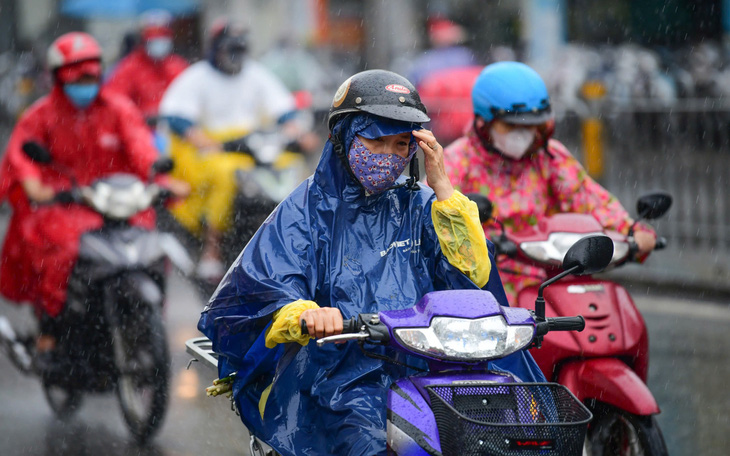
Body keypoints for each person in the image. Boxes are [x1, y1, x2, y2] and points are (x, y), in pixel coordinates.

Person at [197, 69, 545, 456]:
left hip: (433, 367)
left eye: (401, 145)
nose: (389, 156)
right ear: (343, 138)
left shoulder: (421, 205)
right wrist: (306, 313)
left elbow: (472, 276)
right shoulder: (307, 210)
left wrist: (443, 188)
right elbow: (271, 280)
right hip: (342, 376)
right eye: (376, 141)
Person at [0, 32, 188, 362]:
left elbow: (141, 146)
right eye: (77, 77)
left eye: (91, 75)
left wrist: (161, 179)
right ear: (58, 77)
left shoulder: (118, 108)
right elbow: (22, 156)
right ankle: (52, 329)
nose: (85, 83)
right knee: (61, 251)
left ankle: (142, 320)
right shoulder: (40, 115)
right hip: (65, 205)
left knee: (150, 244)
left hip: (116, 203)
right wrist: (34, 185)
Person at [442, 61, 657, 303]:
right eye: (510, 125)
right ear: (484, 121)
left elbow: (588, 198)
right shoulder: (456, 161)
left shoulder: (550, 156)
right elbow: (434, 216)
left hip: (553, 282)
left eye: (531, 125)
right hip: (486, 293)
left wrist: (631, 231)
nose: (522, 133)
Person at [158, 19, 315, 283]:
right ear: (215, 49)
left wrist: (297, 132)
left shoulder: (256, 74)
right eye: (229, 49)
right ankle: (213, 249)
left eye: (239, 50)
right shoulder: (196, 77)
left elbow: (285, 110)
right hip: (213, 149)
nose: (234, 56)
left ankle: (297, 241)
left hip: (252, 145)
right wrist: (201, 139)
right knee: (226, 175)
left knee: (294, 169)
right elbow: (176, 117)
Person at [105, 10, 188, 123]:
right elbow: (113, 100)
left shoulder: (178, 66)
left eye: (163, 35)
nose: (159, 41)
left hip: (179, 131)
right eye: (153, 37)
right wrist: (141, 116)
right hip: (142, 129)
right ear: (144, 40)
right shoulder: (129, 67)